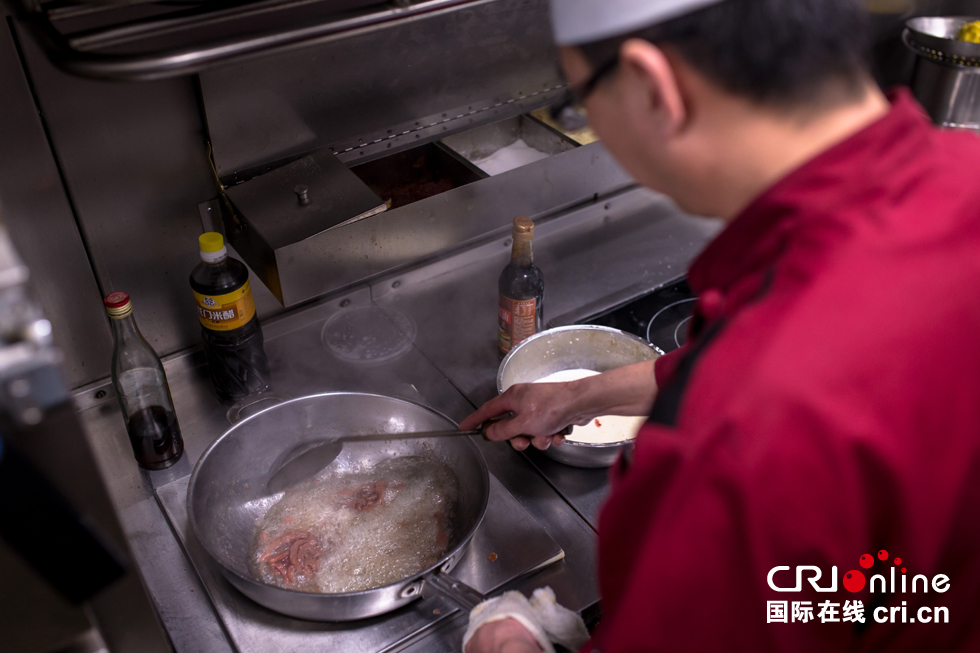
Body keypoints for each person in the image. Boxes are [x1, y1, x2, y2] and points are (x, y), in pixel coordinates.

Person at [459, 0, 980, 651]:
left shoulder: (745, 435)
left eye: (578, 105)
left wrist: (508, 640)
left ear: (654, 88)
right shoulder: (961, 175)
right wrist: (577, 395)